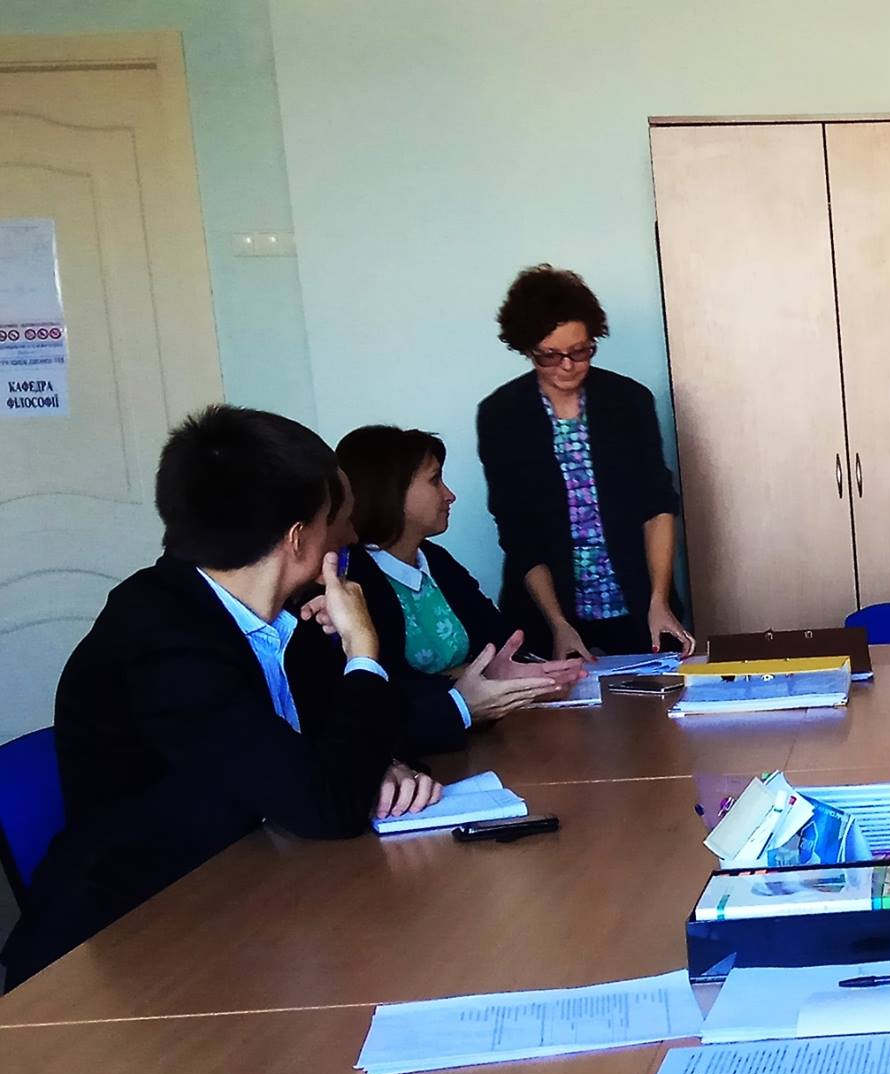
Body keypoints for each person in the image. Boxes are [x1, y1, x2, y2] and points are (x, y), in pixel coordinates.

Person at [1, 406, 441, 990]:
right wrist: (363, 650)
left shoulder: (289, 617)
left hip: (256, 893)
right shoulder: (158, 636)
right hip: (131, 946)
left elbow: (351, 749)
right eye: (339, 519)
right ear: (298, 538)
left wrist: (379, 763)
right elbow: (325, 808)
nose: (353, 537)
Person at [476, 265, 695, 661]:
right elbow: (518, 532)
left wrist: (659, 599)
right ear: (527, 348)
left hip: (638, 604)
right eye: (550, 356)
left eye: (580, 351)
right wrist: (558, 623)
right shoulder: (501, 415)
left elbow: (657, 505)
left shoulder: (629, 401)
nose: (567, 365)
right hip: (547, 613)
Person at [336, 425, 584, 755]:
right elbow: (384, 689)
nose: (449, 495)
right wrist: (463, 680)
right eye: (434, 480)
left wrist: (519, 673)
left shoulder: (436, 560)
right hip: (414, 759)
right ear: (391, 491)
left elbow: (498, 638)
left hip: (477, 743)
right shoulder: (352, 577)